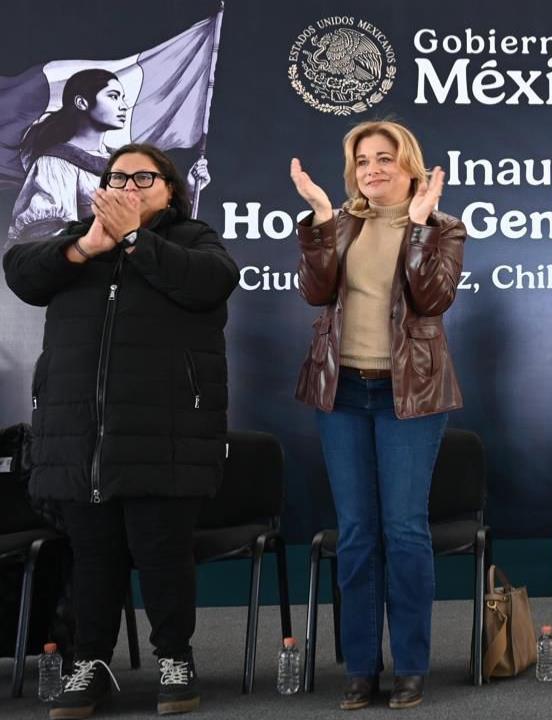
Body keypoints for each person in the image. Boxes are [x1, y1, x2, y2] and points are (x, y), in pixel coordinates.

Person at [2, 143, 238, 718]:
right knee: (93, 555)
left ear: (169, 190)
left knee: (163, 554)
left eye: (143, 177)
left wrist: (135, 238)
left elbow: (211, 282)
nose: (128, 186)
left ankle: (175, 659)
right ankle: (92, 664)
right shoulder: (78, 243)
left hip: (166, 434)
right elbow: (21, 272)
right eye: (117, 177)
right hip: (80, 437)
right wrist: (87, 246)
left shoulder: (192, 240)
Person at [291, 119, 464, 710]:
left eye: (384, 159)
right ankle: (361, 668)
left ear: (409, 165)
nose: (372, 170)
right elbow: (316, 292)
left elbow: (431, 298)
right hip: (341, 393)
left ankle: (412, 665)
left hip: (409, 396)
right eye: (362, 161)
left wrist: (415, 228)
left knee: (405, 530)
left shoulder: (442, 228)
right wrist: (317, 216)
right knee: (359, 534)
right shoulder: (338, 226)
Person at [8, 68, 210, 246]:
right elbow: (47, 238)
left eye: (122, 97)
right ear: (82, 102)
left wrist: (191, 190)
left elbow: (152, 229)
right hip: (88, 279)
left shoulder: (124, 163)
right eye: (113, 96)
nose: (123, 105)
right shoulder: (55, 163)